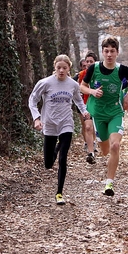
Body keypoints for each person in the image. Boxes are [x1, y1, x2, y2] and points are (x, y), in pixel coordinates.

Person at [29, 54, 90, 205]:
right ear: (54, 68)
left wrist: (84, 111)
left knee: (63, 159)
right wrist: (36, 118)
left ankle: (59, 193)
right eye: (58, 68)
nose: (61, 71)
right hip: (49, 124)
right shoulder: (45, 83)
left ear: (69, 68)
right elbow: (33, 99)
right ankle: (55, 149)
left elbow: (78, 100)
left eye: (64, 68)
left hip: (66, 124)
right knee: (48, 164)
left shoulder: (73, 84)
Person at [80, 36, 128, 196]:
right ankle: (100, 142)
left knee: (115, 146)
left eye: (112, 51)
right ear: (102, 52)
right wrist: (92, 91)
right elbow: (82, 86)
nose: (109, 54)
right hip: (98, 113)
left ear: (117, 52)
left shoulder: (122, 69)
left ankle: (109, 184)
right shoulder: (93, 68)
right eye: (106, 51)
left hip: (115, 112)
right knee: (104, 150)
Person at [76, 50, 99, 164]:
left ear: (96, 62)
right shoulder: (81, 75)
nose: (89, 63)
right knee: (87, 126)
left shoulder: (101, 72)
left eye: (91, 61)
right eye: (87, 61)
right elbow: (74, 85)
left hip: (100, 105)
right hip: (85, 104)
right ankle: (91, 151)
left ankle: (95, 142)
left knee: (95, 127)